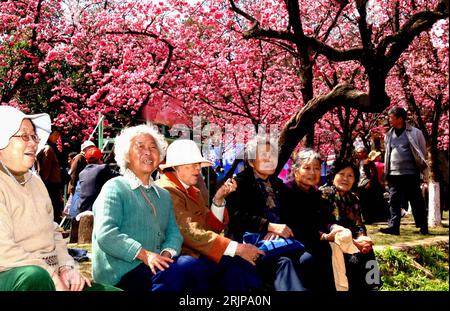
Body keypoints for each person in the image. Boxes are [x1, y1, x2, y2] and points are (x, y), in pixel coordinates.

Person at [0, 105, 119, 291]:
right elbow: (3, 251)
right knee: (34, 277)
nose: (33, 143)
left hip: (51, 272)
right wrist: (51, 274)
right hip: (18, 275)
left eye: (33, 136)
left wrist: (66, 266)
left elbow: (53, 231)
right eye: (24, 136)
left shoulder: (35, 181)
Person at [92, 125, 196, 291]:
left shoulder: (163, 195)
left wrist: (165, 256)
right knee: (183, 269)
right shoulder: (115, 187)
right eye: (140, 147)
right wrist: (145, 255)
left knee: (192, 267)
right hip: (121, 272)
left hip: (155, 268)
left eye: (153, 147)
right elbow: (106, 234)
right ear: (126, 155)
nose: (148, 152)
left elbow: (174, 233)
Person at [155, 139, 263, 292]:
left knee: (240, 268)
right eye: (192, 164)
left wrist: (218, 199)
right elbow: (189, 231)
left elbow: (208, 225)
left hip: (198, 253)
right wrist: (237, 248)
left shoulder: (191, 190)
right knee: (234, 266)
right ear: (175, 167)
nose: (197, 169)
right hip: (179, 258)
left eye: (198, 164)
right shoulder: (166, 190)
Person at [226, 137, 308, 291]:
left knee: (308, 259)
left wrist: (279, 230)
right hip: (249, 245)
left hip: (280, 242)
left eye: (272, 156)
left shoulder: (278, 185)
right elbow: (236, 216)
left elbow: (292, 215)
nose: (270, 159)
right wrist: (267, 226)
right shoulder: (239, 184)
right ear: (251, 162)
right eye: (264, 155)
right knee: (283, 262)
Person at [281, 149, 336, 291]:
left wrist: (333, 228)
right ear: (296, 170)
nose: (312, 172)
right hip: (295, 244)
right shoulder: (286, 192)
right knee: (310, 260)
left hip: (317, 242)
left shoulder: (317, 194)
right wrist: (323, 236)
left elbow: (327, 219)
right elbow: (295, 225)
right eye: (307, 168)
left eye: (317, 168)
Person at [320, 160, 378, 291]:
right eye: (341, 174)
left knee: (368, 249)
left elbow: (359, 223)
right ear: (333, 175)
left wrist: (362, 238)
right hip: (333, 239)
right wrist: (353, 241)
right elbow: (324, 223)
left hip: (352, 239)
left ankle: (372, 286)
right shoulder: (323, 195)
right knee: (353, 256)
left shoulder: (353, 198)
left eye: (350, 176)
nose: (345, 179)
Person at [379, 106, 429, 235]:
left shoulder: (415, 132)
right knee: (394, 201)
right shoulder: (389, 134)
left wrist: (422, 169)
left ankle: (423, 227)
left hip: (411, 173)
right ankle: (393, 227)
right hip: (394, 174)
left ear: (400, 118)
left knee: (416, 200)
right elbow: (387, 153)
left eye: (391, 117)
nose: (389, 120)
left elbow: (422, 152)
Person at [36, 127, 64, 223]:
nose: (57, 137)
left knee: (55, 206)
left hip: (53, 182)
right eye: (55, 135)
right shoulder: (48, 149)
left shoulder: (51, 147)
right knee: (53, 206)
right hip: (50, 183)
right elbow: (46, 168)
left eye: (58, 135)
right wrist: (44, 182)